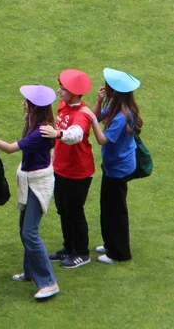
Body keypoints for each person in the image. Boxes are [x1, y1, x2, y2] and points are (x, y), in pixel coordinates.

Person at [0, 84, 60, 300]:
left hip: (38, 183)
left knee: (30, 232)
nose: (22, 103)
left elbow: (9, 148)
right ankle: (31, 271)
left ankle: (48, 281)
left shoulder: (41, 130)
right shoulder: (33, 122)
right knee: (24, 229)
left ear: (34, 106)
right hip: (30, 179)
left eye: (26, 101)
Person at [39, 69, 96, 269]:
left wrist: (57, 133)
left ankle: (81, 252)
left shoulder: (82, 116)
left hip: (78, 172)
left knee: (75, 211)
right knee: (63, 209)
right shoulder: (63, 105)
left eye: (63, 88)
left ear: (75, 93)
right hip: (61, 168)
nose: (59, 91)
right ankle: (69, 246)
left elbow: (75, 136)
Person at [89, 67, 143, 265]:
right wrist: (97, 101)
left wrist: (92, 120)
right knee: (108, 206)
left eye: (107, 86)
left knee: (116, 210)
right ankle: (110, 243)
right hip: (113, 165)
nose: (104, 86)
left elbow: (102, 139)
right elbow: (99, 116)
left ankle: (119, 252)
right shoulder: (113, 104)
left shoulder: (122, 116)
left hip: (119, 169)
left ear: (115, 91)